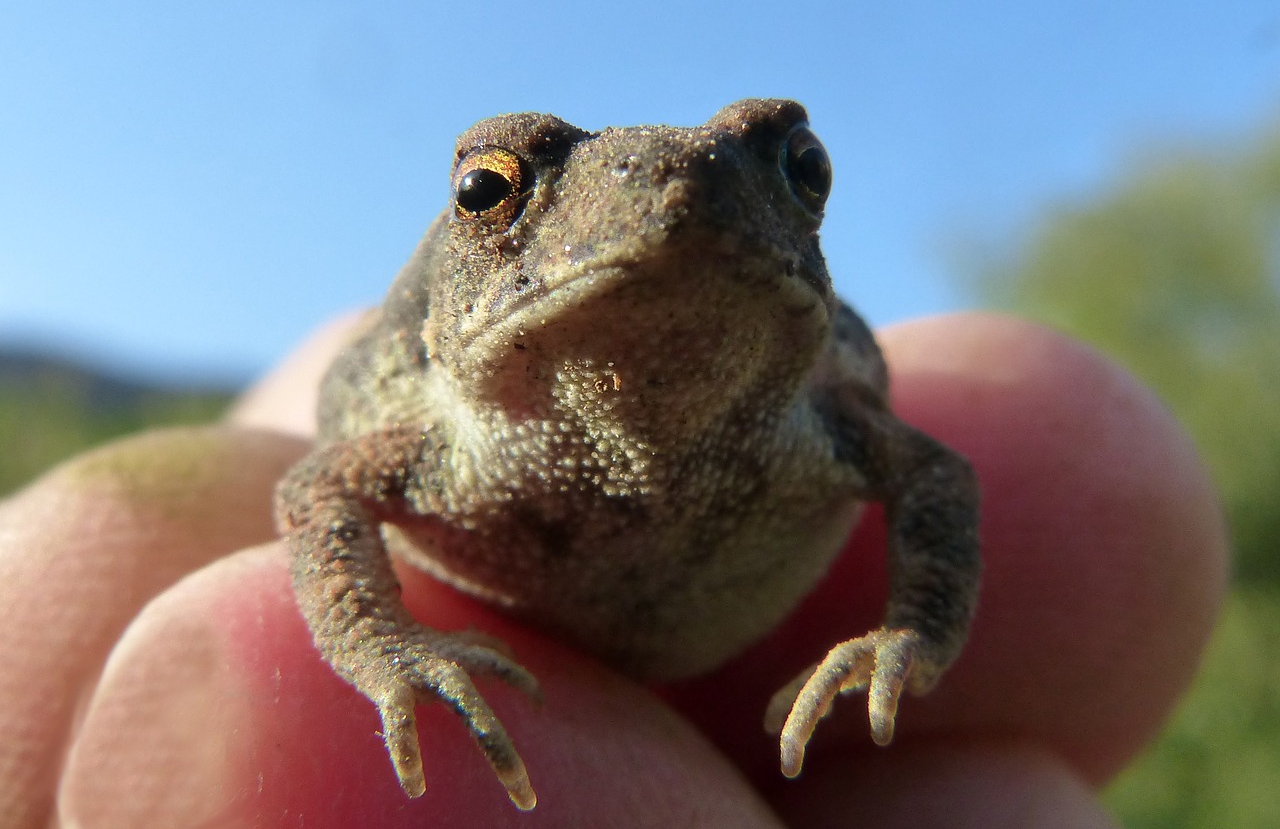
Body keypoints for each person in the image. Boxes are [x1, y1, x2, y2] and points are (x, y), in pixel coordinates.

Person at [0, 314, 1226, 828]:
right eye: (494, 193)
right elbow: (318, 487)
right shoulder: (438, 423)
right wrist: (376, 647)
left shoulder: (813, 405)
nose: (673, 212)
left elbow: (940, 479)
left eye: (791, 176)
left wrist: (914, 632)